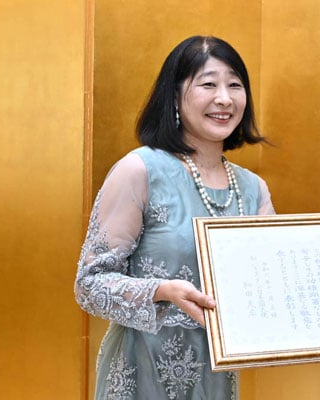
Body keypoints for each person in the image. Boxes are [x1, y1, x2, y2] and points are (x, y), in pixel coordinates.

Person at [74, 36, 275, 399]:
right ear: (174, 96)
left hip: (215, 381)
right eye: (208, 84)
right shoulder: (139, 170)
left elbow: (275, 293)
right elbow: (90, 284)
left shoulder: (253, 189)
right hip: (141, 374)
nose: (225, 98)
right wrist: (162, 291)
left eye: (235, 84)